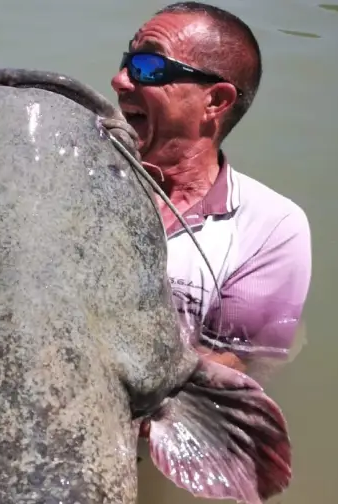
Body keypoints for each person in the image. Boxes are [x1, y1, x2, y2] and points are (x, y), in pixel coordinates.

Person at [110, 2, 312, 372]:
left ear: (215, 101)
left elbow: (229, 369)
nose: (120, 80)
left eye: (148, 67)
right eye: (127, 62)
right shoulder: (81, 180)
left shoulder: (271, 226)